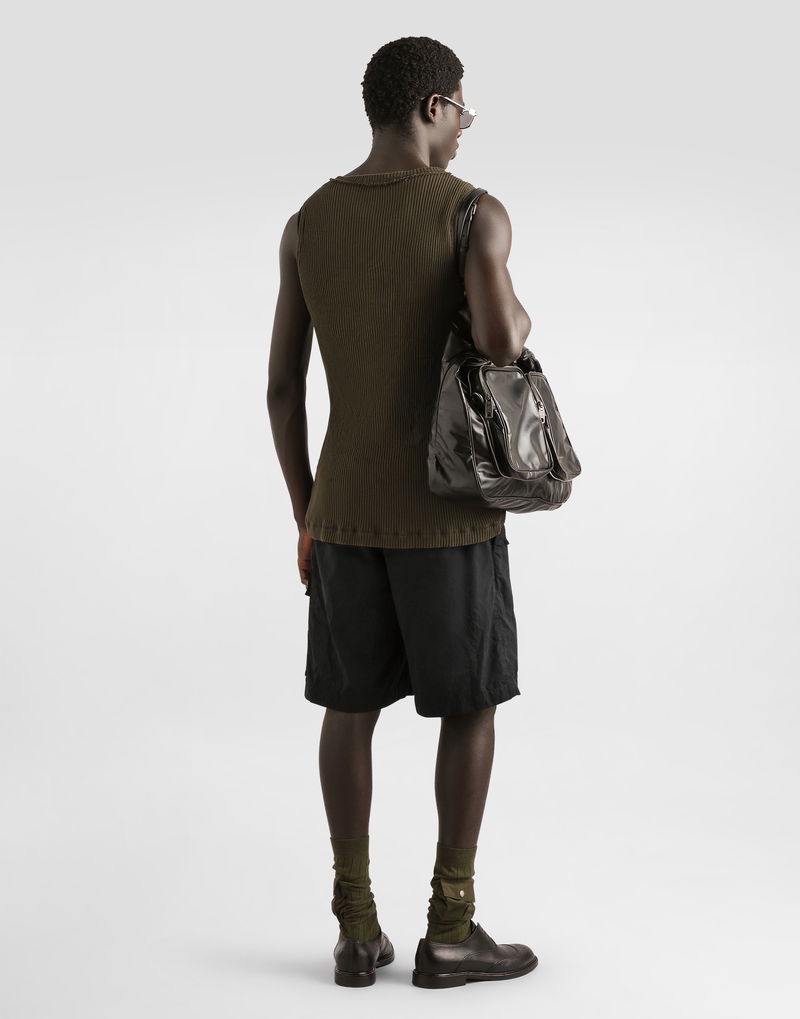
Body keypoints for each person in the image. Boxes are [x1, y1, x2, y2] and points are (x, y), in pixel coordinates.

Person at [267, 35, 538, 989]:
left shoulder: (309, 221)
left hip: (343, 513)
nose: (465, 128)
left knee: (348, 710)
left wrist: (307, 510)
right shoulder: (473, 210)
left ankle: (355, 929)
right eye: (462, 109)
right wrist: (511, 291)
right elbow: (500, 343)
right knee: (469, 706)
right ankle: (451, 928)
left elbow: (283, 391)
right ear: (431, 106)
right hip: (450, 516)